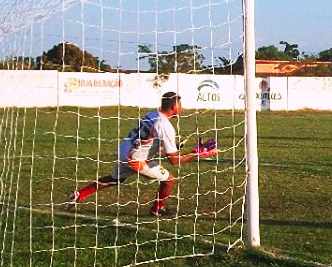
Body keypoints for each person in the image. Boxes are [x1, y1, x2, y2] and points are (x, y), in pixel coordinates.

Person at [64, 92, 218, 216]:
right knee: (169, 180)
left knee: (114, 179)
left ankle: (79, 194)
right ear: (174, 106)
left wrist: (167, 149)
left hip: (125, 149)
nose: (182, 107)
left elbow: (149, 140)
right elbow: (174, 161)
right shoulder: (166, 126)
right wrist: (200, 154)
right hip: (135, 159)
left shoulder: (152, 114)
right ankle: (157, 209)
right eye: (180, 104)